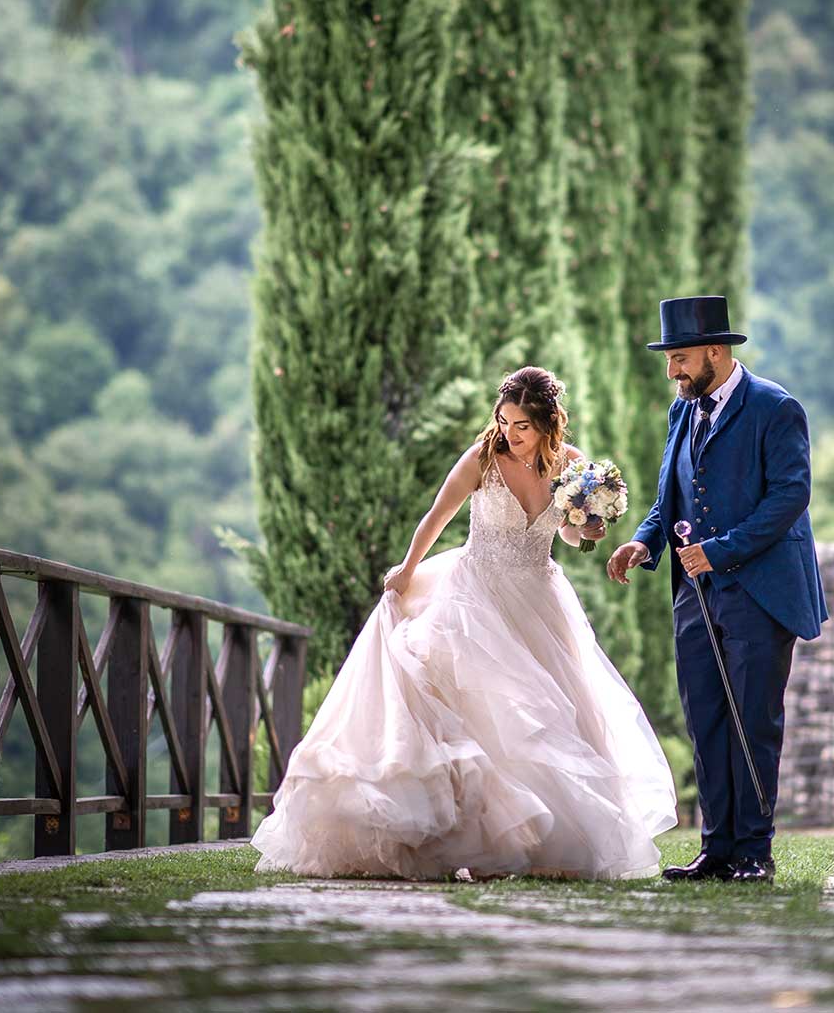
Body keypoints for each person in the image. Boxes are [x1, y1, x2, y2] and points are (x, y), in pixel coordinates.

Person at [250, 366, 677, 880]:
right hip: (475, 594)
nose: (512, 433)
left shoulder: (571, 466)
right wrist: (407, 570)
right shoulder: (483, 459)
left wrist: (588, 525)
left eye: (522, 425)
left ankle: (544, 845)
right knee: (482, 709)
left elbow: (567, 534)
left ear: (547, 423)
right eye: (505, 420)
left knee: (547, 717)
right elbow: (437, 515)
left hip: (538, 598)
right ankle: (470, 839)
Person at [607, 296, 827, 883]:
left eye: (680, 359)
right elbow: (668, 500)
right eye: (669, 360)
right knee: (706, 719)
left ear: (714, 351)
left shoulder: (775, 408)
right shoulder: (683, 412)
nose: (673, 371)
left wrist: (720, 550)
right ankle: (716, 848)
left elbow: (790, 497)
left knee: (753, 720)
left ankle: (754, 852)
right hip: (694, 596)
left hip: (760, 591)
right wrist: (645, 543)